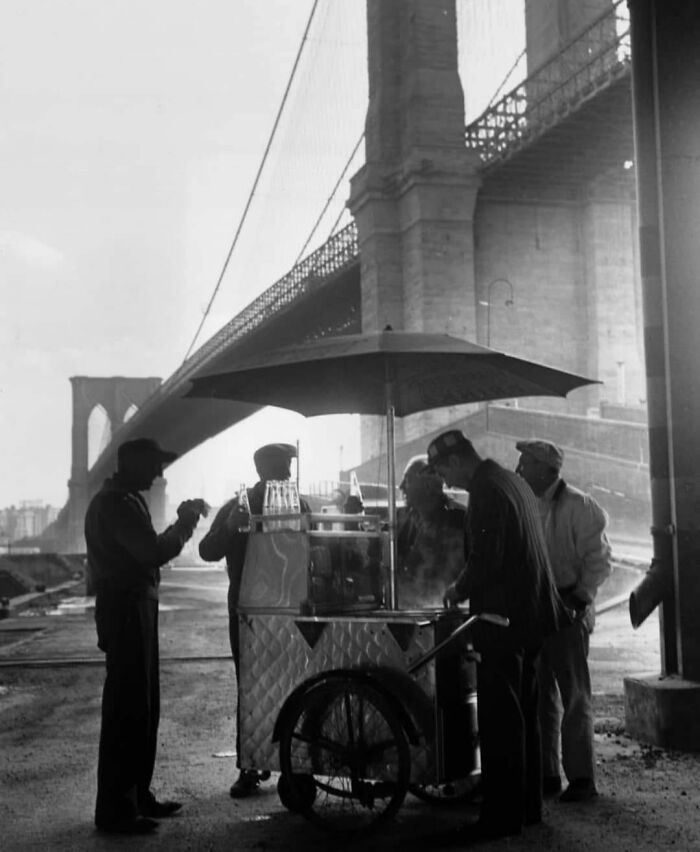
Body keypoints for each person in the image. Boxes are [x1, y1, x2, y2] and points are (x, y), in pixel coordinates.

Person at [431, 429, 570, 843]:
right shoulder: (510, 481)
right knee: (525, 714)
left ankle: (500, 817)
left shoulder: (486, 491)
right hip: (532, 617)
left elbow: (486, 557)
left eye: (442, 472)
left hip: (503, 620)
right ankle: (527, 808)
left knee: (499, 720)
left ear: (457, 461)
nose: (444, 482)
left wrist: (456, 589)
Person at [85, 437, 207, 835]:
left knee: (144, 706)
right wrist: (186, 522)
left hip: (135, 608)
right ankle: (117, 810)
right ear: (134, 463)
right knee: (127, 710)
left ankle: (136, 795)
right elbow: (151, 552)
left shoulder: (123, 500)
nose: (159, 474)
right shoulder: (115, 505)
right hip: (125, 611)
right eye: (154, 465)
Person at [199, 442, 309, 797]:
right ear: (263, 471)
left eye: (288, 469)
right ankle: (251, 764)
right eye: (282, 468)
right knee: (252, 688)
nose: (288, 475)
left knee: (290, 685)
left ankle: (294, 764)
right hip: (249, 613)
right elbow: (207, 550)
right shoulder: (238, 506)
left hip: (289, 608)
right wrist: (230, 527)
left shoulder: (299, 505)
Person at [515, 438, 612, 803]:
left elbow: (599, 562)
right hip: (538, 608)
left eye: (526, 462)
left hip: (568, 606)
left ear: (546, 469)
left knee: (574, 697)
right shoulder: (529, 503)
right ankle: (548, 773)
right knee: (542, 697)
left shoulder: (579, 506)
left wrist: (579, 601)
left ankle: (582, 779)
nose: (520, 468)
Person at [396, 460, 466, 607]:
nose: (401, 487)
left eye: (408, 480)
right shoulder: (406, 521)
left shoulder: (458, 519)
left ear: (427, 486)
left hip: (447, 609)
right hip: (411, 605)